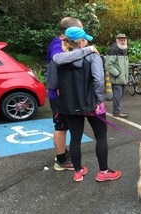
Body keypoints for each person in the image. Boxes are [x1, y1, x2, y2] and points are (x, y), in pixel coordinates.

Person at [53, 27, 122, 182]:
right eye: (86, 40)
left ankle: (78, 172)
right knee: (101, 137)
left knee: (75, 138)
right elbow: (98, 80)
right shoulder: (92, 56)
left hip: (69, 105)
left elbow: (55, 79)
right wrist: (98, 101)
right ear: (82, 40)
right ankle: (103, 172)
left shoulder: (60, 58)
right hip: (92, 103)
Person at [46, 17, 99, 171]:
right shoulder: (58, 43)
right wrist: (87, 50)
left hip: (65, 94)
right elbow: (58, 58)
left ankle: (63, 154)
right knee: (61, 127)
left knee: (67, 127)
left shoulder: (64, 44)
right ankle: (61, 161)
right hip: (58, 95)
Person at [105, 33, 129, 118]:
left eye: (124, 40)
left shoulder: (124, 49)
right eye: (121, 40)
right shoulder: (113, 50)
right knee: (117, 96)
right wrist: (117, 74)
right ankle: (116, 111)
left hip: (122, 78)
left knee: (120, 96)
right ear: (117, 40)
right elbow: (108, 65)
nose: (123, 42)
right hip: (117, 78)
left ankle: (119, 109)